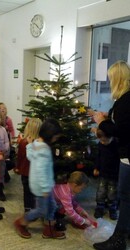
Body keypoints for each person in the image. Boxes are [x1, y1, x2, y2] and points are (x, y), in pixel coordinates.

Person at [92, 60, 130, 250]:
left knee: (125, 195)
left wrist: (101, 122)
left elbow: (120, 131)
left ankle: (119, 239)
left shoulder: (125, 100)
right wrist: (107, 119)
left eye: (111, 78)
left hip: (128, 157)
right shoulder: (124, 100)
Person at [14, 118, 66, 239]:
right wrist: (44, 189)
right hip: (42, 187)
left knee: (52, 206)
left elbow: (30, 155)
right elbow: (42, 170)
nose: (55, 140)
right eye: (55, 137)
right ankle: (21, 222)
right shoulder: (44, 150)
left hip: (43, 185)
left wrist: (29, 145)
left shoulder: (36, 144)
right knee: (42, 210)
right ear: (50, 135)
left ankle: (49, 230)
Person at [92, 128, 120, 220]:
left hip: (114, 174)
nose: (102, 142)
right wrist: (96, 167)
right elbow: (98, 156)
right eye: (101, 140)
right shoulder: (101, 144)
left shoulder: (117, 144)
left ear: (111, 137)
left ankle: (112, 208)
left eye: (105, 140)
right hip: (102, 173)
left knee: (112, 192)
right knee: (101, 191)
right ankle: (100, 207)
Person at [15, 117, 42, 212]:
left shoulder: (23, 142)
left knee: (27, 193)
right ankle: (34, 208)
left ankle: (28, 209)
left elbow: (20, 157)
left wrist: (17, 167)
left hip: (26, 173)